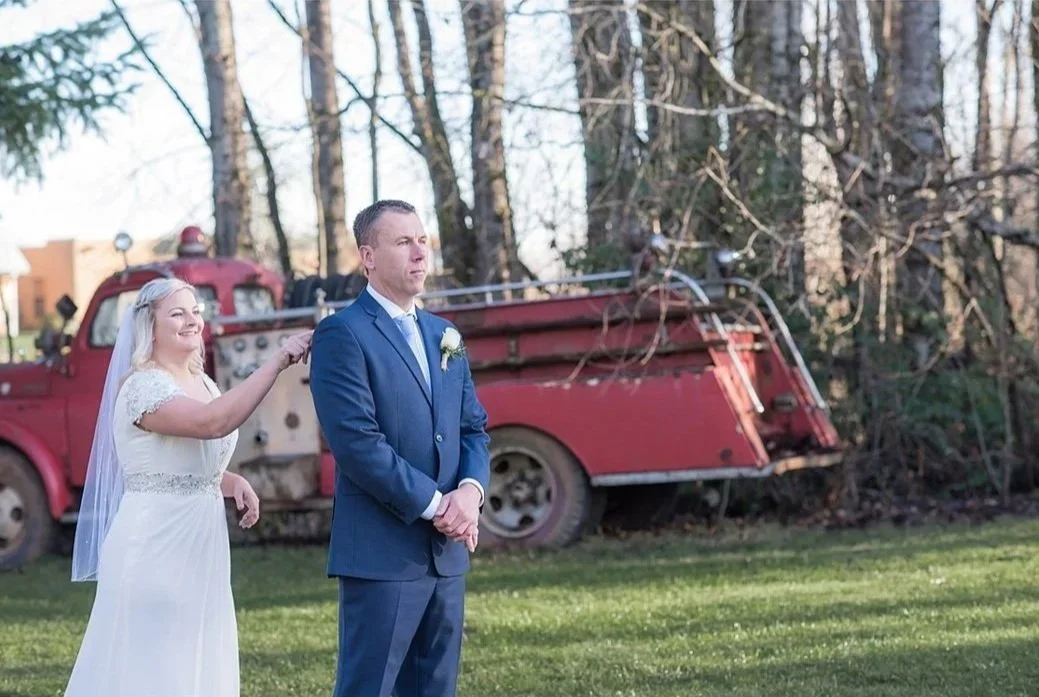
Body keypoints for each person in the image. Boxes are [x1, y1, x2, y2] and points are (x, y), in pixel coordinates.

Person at [64, 277, 312, 697]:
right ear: (150, 326)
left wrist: (229, 481)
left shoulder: (204, 383)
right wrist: (277, 361)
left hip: (202, 549)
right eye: (177, 313)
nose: (192, 320)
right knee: (156, 671)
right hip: (155, 547)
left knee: (197, 662)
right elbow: (210, 423)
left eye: (196, 311)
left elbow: (184, 459)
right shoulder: (143, 385)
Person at [310, 199, 490, 697]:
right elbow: (357, 445)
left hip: (446, 556)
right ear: (368, 256)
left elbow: (473, 428)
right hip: (382, 554)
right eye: (403, 242)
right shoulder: (342, 334)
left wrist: (471, 494)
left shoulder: (444, 334)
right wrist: (439, 506)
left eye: (423, 240)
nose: (419, 253)